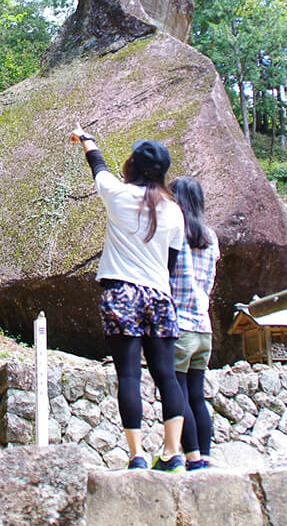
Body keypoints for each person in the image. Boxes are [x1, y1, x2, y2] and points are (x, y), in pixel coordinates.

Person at [70, 126, 187, 472]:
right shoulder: (174, 211)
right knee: (167, 376)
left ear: (133, 166)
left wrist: (85, 137)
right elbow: (170, 263)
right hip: (160, 296)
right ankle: (171, 453)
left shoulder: (117, 195)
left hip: (121, 292)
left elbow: (97, 165)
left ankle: (136, 454)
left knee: (130, 376)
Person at [167, 175, 220, 471]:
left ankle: (192, 457)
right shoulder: (211, 237)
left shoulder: (175, 232)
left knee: (180, 394)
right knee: (198, 396)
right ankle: (205, 457)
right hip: (204, 327)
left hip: (179, 325)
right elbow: (209, 282)